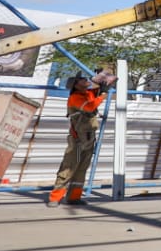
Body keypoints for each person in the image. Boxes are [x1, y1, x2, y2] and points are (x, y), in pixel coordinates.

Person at [47, 69, 116, 207]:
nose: (86, 80)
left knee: (81, 170)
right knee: (68, 169)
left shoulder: (86, 94)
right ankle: (55, 198)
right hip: (78, 140)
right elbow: (90, 107)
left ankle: (73, 197)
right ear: (76, 85)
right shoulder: (75, 98)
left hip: (89, 138)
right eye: (82, 79)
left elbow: (96, 93)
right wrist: (102, 94)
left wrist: (104, 84)